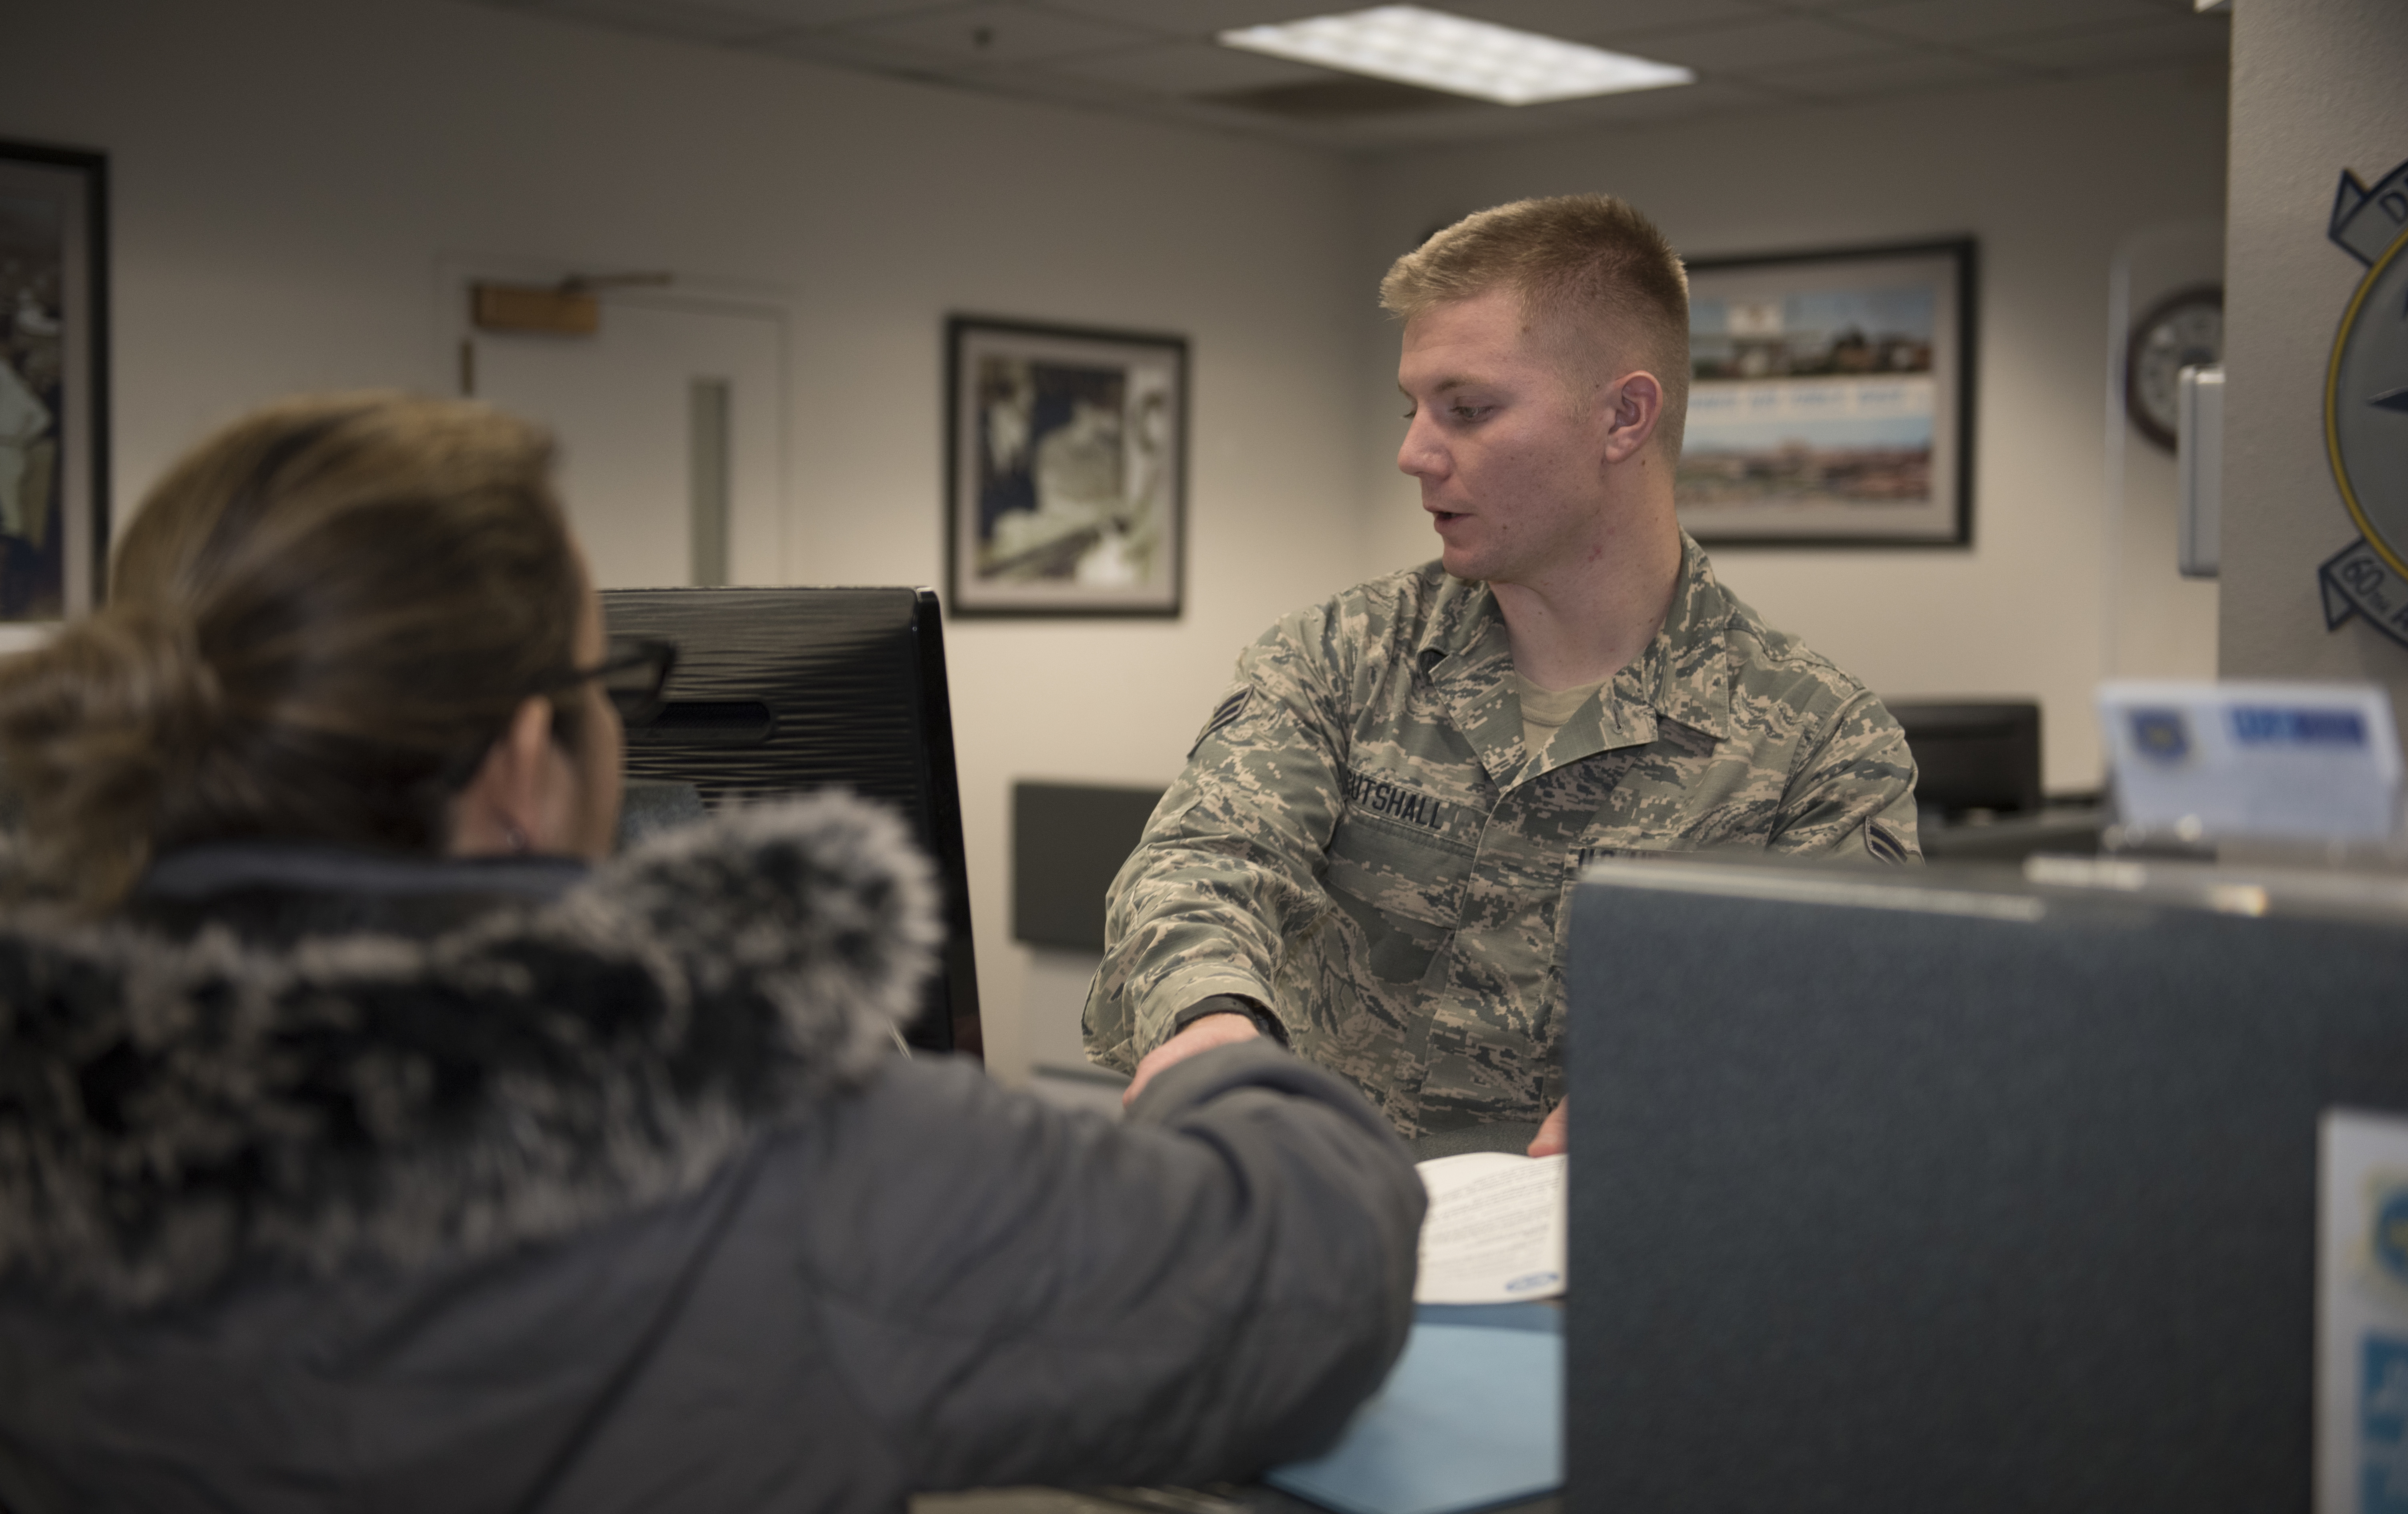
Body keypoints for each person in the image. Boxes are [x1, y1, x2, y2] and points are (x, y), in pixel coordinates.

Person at [0, 394, 1423, 1512]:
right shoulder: (729, 1126)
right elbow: (1303, 1286)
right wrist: (1220, 1074)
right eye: (609, 680)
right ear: (516, 760)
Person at [1084, 194, 1921, 1154]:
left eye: (1468, 410)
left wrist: (1693, 1085)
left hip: (1611, 1265)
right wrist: (1212, 1021)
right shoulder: (1343, 655)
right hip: (1324, 1224)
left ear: (1623, 416)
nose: (1412, 453)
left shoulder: (1820, 745)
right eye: (1413, 409)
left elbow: (1848, 1032)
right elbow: (1202, 861)